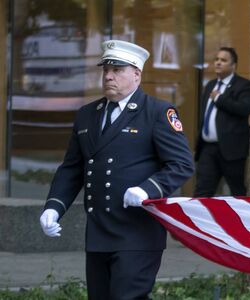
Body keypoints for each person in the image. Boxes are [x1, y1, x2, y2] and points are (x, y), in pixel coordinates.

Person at [38, 40, 194, 299]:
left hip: (138, 232)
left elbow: (182, 164)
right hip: (99, 231)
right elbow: (72, 168)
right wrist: (54, 206)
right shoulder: (88, 114)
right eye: (106, 70)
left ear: (136, 74)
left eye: (118, 70)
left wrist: (148, 189)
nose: (109, 76)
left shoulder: (157, 111)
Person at [194, 47, 250, 197]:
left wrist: (220, 99)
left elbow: (244, 109)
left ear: (233, 66)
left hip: (232, 150)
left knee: (237, 191)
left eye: (223, 60)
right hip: (208, 148)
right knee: (202, 190)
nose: (218, 63)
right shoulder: (210, 85)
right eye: (217, 59)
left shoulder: (243, 85)